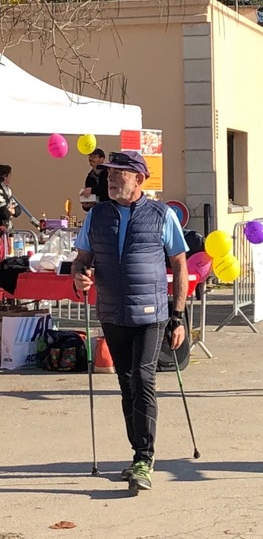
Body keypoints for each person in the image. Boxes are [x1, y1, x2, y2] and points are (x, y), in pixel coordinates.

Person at [70, 151, 188, 492]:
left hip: (151, 313)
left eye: (118, 173)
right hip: (112, 311)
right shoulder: (97, 215)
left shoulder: (162, 214)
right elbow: (81, 259)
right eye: (109, 173)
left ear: (139, 178)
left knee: (142, 378)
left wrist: (178, 316)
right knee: (126, 383)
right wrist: (80, 277)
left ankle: (144, 457)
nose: (110, 178)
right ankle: (138, 453)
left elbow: (179, 265)